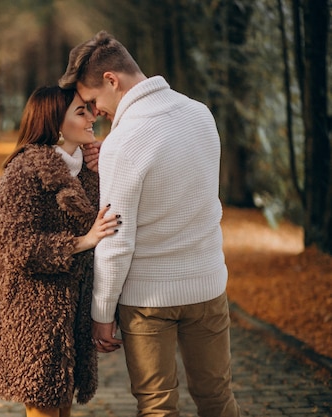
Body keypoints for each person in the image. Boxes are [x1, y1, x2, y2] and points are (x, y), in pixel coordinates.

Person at [59, 31, 242, 416]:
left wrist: (102, 314)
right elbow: (194, 193)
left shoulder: (124, 141)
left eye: (93, 101)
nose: (94, 113)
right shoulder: (200, 114)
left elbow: (116, 239)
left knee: (158, 407)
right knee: (217, 399)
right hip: (207, 286)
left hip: (147, 301)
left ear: (112, 80)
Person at [0, 85, 120, 417]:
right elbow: (15, 245)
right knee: (43, 407)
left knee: (61, 406)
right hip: (31, 313)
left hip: (70, 313)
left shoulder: (84, 169)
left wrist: (99, 172)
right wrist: (82, 242)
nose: (92, 117)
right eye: (81, 112)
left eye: (90, 109)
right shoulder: (24, 172)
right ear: (56, 124)